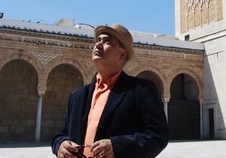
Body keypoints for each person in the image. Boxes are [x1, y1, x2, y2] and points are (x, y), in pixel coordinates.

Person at [52, 24, 169, 158]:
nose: (98, 45)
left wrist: (117, 147)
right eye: (98, 40)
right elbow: (61, 134)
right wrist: (60, 144)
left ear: (122, 55)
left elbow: (158, 135)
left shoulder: (140, 91)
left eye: (107, 41)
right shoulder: (77, 97)